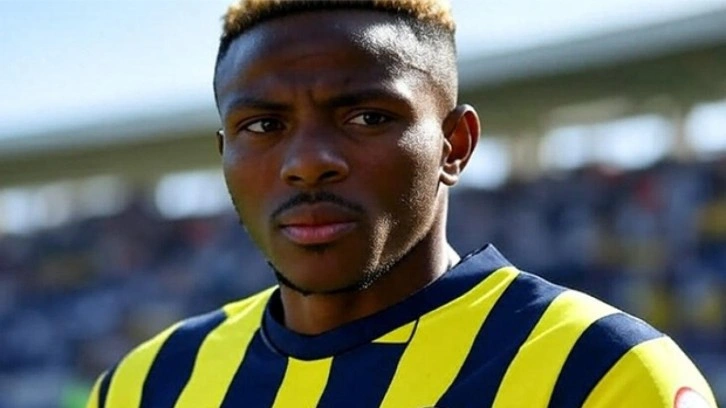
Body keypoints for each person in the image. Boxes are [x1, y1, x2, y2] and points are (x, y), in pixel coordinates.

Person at [87, 0, 717, 407]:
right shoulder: (146, 384)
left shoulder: (601, 372)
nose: (307, 162)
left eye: (366, 116)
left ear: (454, 144)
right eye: (263, 126)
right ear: (224, 152)